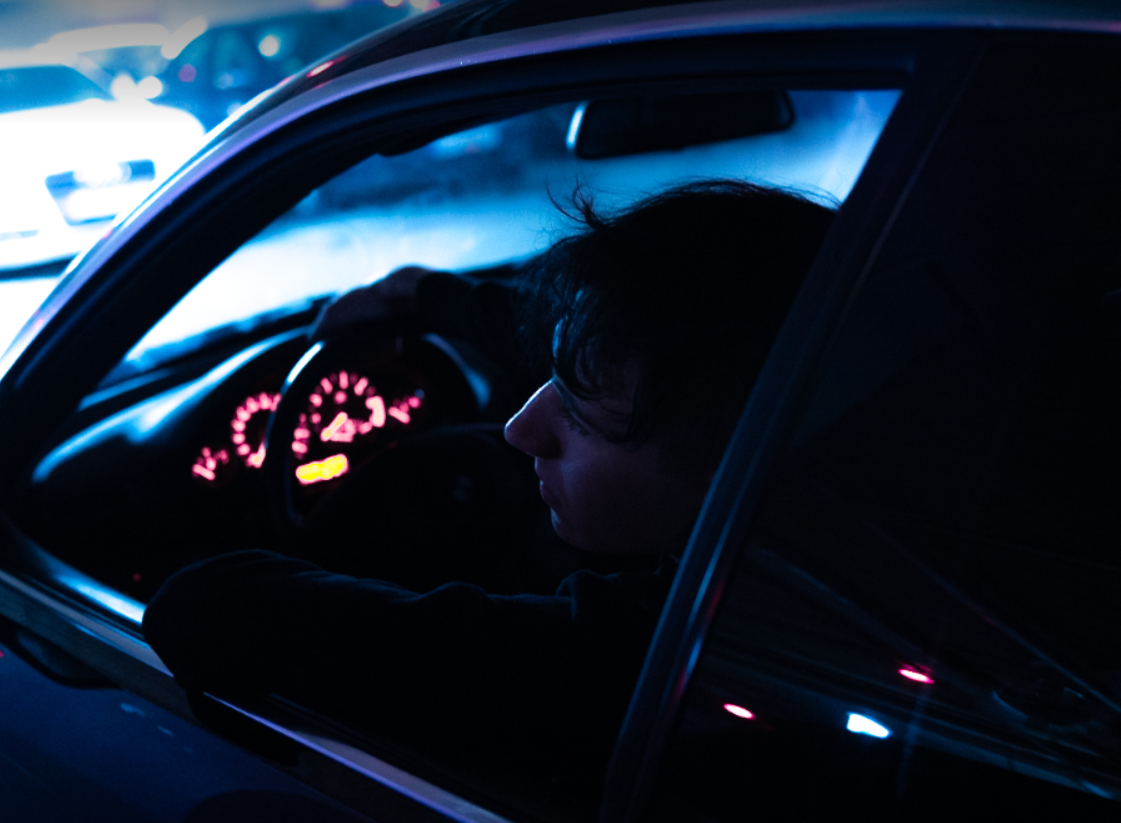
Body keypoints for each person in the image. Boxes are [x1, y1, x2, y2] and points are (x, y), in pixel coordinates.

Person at [142, 180, 835, 787]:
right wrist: (418, 291)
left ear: (733, 462)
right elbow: (629, 358)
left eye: (579, 413)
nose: (520, 429)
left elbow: (200, 607)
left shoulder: (633, 663)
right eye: (551, 374)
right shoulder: (824, 386)